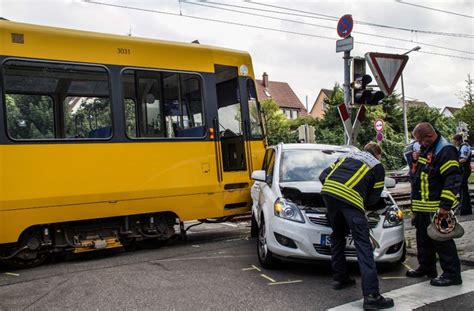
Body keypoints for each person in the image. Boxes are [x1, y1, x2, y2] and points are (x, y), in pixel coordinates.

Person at [319, 142, 394, 310]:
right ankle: (371, 296)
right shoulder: (377, 165)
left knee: (337, 236)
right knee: (363, 245)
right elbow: (374, 198)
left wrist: (335, 193)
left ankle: (340, 278)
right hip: (351, 200)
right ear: (378, 155)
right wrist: (361, 203)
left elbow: (323, 176)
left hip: (329, 194)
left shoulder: (346, 156)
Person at [406, 123, 462, 286]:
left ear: (429, 136)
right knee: (423, 240)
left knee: (442, 241)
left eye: (420, 140)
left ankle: (452, 274)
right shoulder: (429, 149)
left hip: (437, 207)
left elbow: (452, 179)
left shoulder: (445, 150)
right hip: (423, 206)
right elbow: (420, 176)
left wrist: (445, 206)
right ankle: (427, 267)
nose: (419, 144)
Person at [453, 134, 472, 215]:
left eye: (455, 141)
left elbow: (464, 159)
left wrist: (454, 162)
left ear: (458, 140)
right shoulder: (463, 146)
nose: (454, 143)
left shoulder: (464, 147)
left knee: (463, 190)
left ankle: (464, 208)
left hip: (464, 169)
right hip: (464, 169)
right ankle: (465, 208)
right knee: (463, 189)